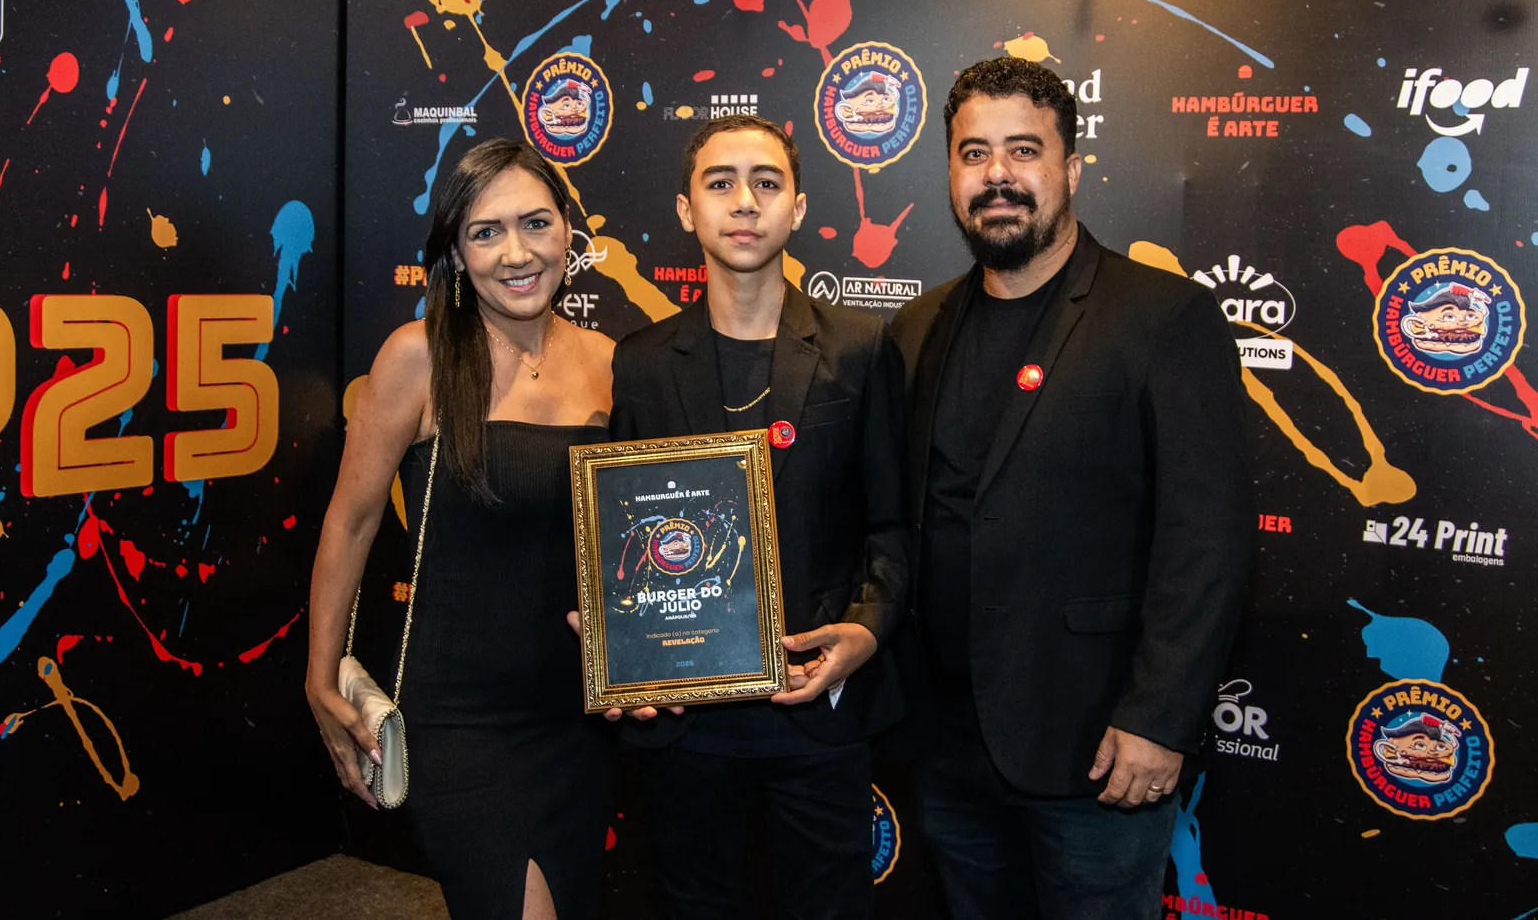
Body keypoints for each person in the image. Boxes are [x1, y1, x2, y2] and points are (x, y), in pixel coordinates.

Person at [888, 57, 1254, 919]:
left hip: (1098, 749)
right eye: (974, 153)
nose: (998, 175)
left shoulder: (1163, 316)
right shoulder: (915, 326)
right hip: (947, 745)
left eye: (1024, 150)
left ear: (1072, 169)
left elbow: (1208, 536)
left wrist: (1160, 717)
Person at [305, 139, 617, 920]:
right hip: (458, 716)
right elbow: (352, 520)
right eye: (486, 231)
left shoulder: (613, 363)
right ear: (455, 251)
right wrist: (320, 675)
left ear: (567, 231)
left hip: (576, 714)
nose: (516, 253)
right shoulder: (418, 356)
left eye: (535, 223)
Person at [610, 114, 909, 920]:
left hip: (813, 706)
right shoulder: (641, 361)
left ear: (798, 208)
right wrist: (616, 641)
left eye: (766, 183)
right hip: (683, 719)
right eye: (721, 183)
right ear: (686, 210)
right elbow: (621, 536)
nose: (744, 201)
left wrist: (867, 629)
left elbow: (893, 525)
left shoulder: (859, 347)